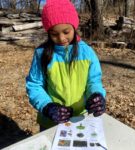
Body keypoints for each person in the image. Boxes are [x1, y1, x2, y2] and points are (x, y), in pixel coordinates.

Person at [26, 0, 106, 130]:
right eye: (54, 34)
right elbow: (34, 85)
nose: (61, 38)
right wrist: (47, 106)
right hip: (51, 121)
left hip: (80, 119)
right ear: (48, 32)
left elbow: (94, 81)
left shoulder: (87, 52)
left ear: (74, 27)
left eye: (66, 32)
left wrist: (96, 95)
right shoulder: (41, 54)